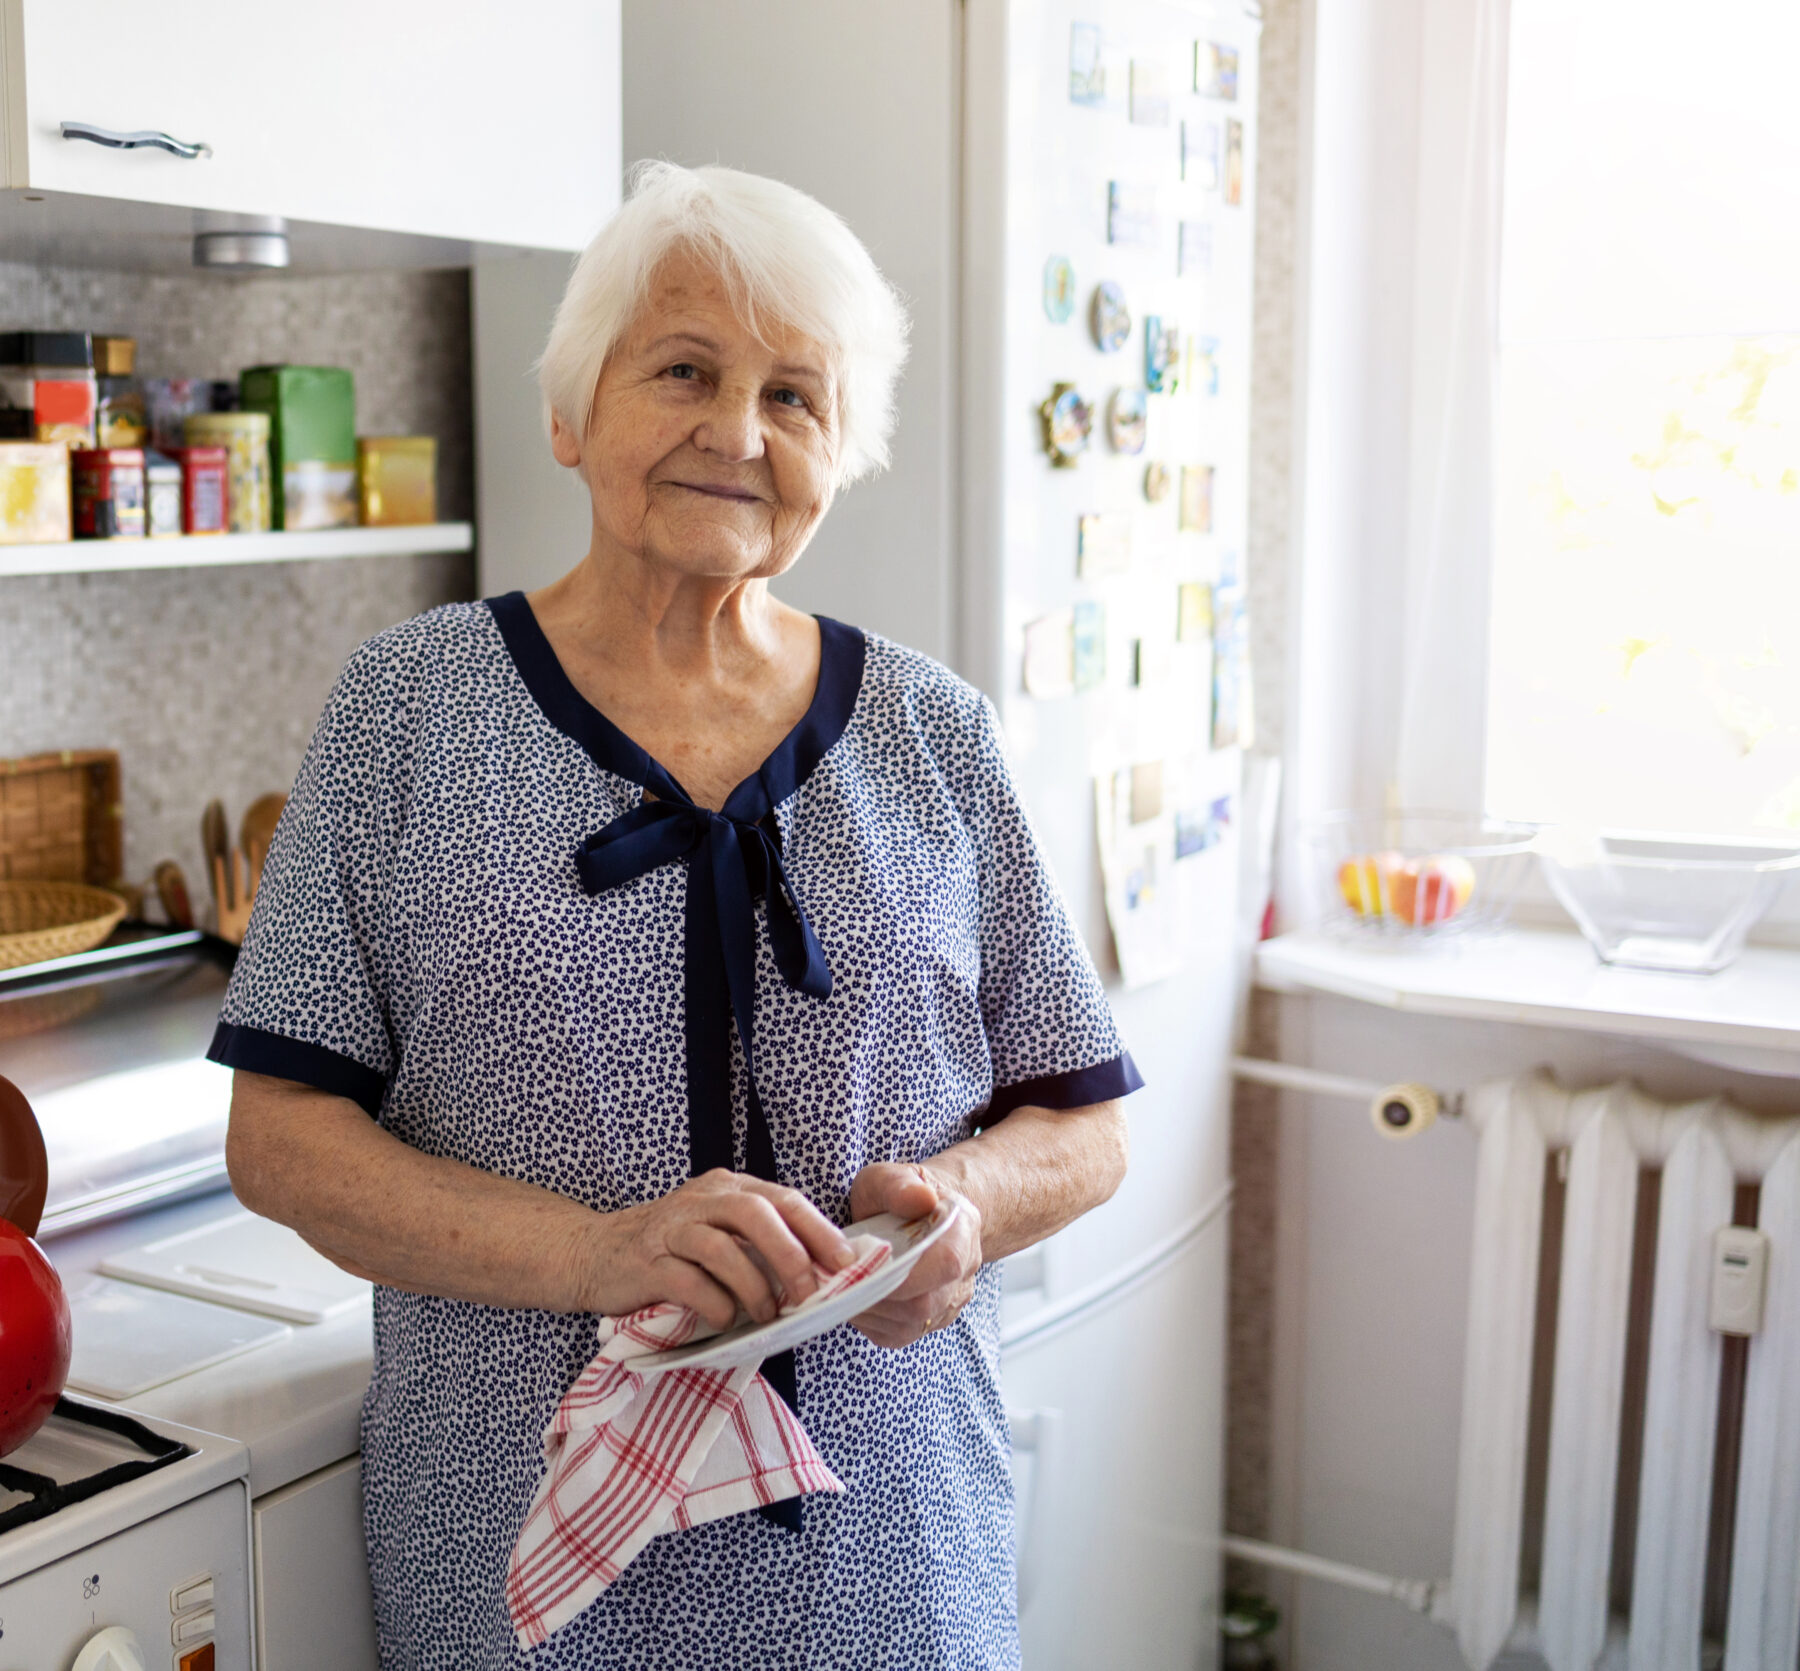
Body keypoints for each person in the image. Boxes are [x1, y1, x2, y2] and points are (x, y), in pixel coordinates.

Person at [210, 162, 1140, 1669]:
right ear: (571, 417)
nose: (739, 433)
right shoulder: (408, 710)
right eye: (687, 372)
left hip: (887, 1554)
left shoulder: (933, 729)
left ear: (842, 453)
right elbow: (284, 1142)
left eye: (796, 395)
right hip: (518, 1558)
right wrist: (601, 1257)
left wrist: (963, 1208)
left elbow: (1083, 1123)